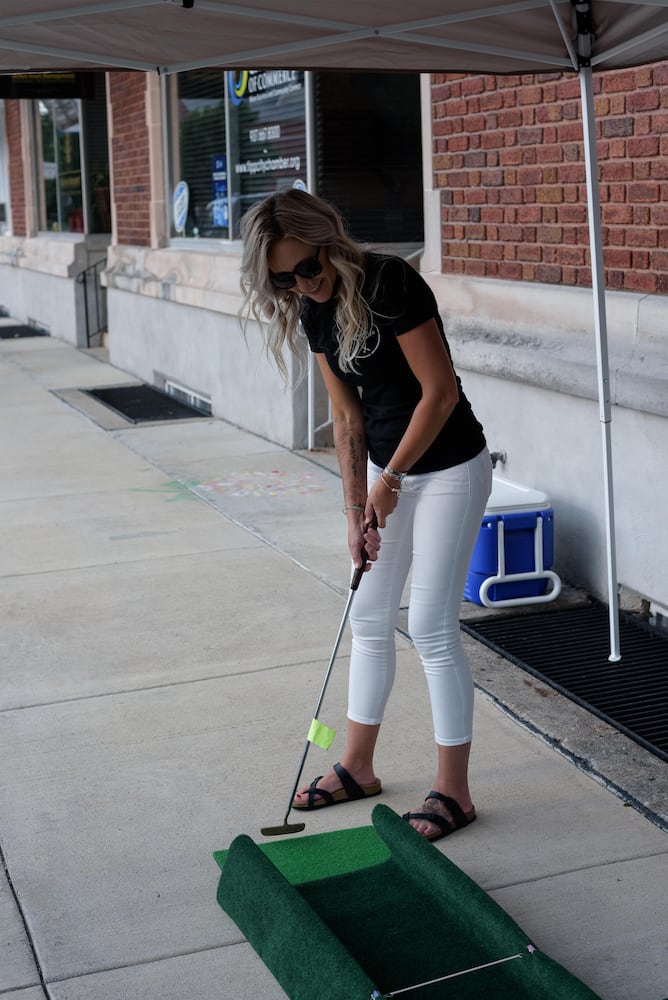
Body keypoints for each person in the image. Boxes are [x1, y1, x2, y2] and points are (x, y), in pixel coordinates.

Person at [240, 189, 492, 842]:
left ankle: (455, 792)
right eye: (284, 278)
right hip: (388, 472)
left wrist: (394, 482)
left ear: (329, 242)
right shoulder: (313, 311)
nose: (302, 283)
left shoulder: (390, 282)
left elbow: (439, 396)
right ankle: (357, 765)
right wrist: (356, 509)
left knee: (432, 626)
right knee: (369, 615)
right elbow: (348, 420)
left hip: (448, 469)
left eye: (308, 268)